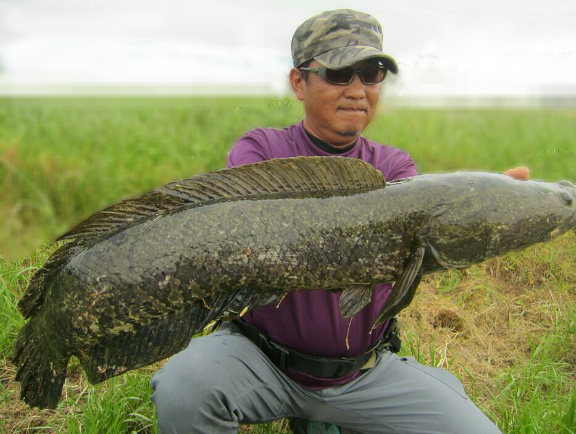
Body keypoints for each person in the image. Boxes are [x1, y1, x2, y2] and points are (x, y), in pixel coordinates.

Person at [150, 9, 528, 434]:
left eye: (371, 73)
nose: (357, 90)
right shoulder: (261, 151)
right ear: (299, 82)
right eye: (338, 73)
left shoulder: (394, 166)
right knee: (184, 388)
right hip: (261, 359)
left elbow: (420, 235)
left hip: (363, 373)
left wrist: (487, 208)